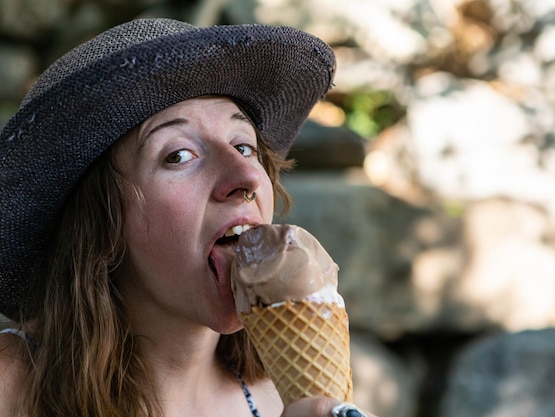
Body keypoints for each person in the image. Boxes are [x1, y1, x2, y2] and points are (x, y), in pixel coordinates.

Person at [0, 18, 376, 417]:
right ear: (101, 225)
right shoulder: (12, 388)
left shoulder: (287, 397)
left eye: (244, 145)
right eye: (178, 155)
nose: (247, 177)